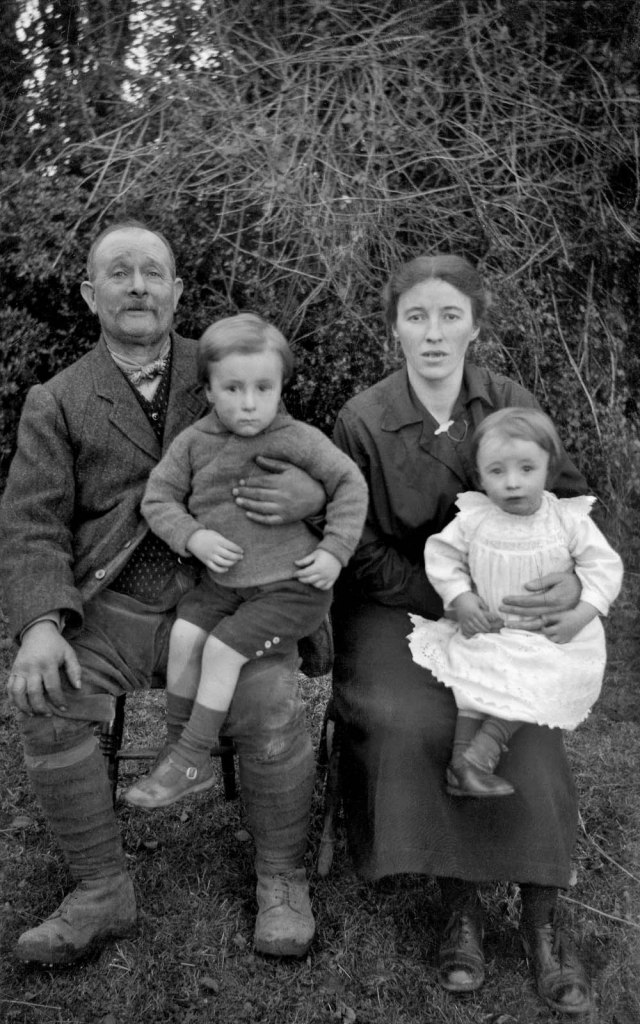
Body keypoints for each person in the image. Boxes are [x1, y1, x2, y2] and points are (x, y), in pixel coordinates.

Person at [0, 221, 327, 966]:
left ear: (178, 292)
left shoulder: (223, 368)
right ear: (91, 294)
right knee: (46, 695)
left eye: (154, 272)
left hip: (228, 598)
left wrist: (307, 488)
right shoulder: (57, 400)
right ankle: (100, 890)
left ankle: (282, 880)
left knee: (270, 699)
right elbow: (30, 524)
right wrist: (44, 623)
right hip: (113, 608)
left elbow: (295, 448)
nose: (138, 285)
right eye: (120, 272)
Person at [330, 254, 597, 1015]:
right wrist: (446, 597)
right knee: (414, 716)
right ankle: (462, 907)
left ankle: (546, 917)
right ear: (394, 329)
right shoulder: (363, 418)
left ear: (475, 325)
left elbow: (570, 504)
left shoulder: (510, 402)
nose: (434, 333)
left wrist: (572, 581)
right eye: (416, 316)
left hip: (506, 608)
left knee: (526, 719)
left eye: (450, 316)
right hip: (398, 601)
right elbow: (357, 543)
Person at [123, 313, 367, 809]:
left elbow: (350, 485)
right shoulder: (194, 443)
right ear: (209, 390)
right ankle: (178, 752)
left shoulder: (295, 438)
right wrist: (193, 538)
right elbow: (158, 499)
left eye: (263, 387)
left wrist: (334, 551)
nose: (250, 402)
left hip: (293, 587)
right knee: (186, 638)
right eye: (233, 388)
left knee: (221, 649)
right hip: (225, 584)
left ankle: (192, 757)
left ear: (280, 387)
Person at [407, 406, 622, 799]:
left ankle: (478, 755)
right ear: (480, 475)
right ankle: (464, 767)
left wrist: (582, 613)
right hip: (493, 628)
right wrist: (463, 598)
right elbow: (441, 556)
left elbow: (603, 566)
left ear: (549, 468)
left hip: (549, 636)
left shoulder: (565, 520)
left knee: (541, 679)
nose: (512, 483)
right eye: (497, 472)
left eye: (527, 469)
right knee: (476, 677)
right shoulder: (475, 518)